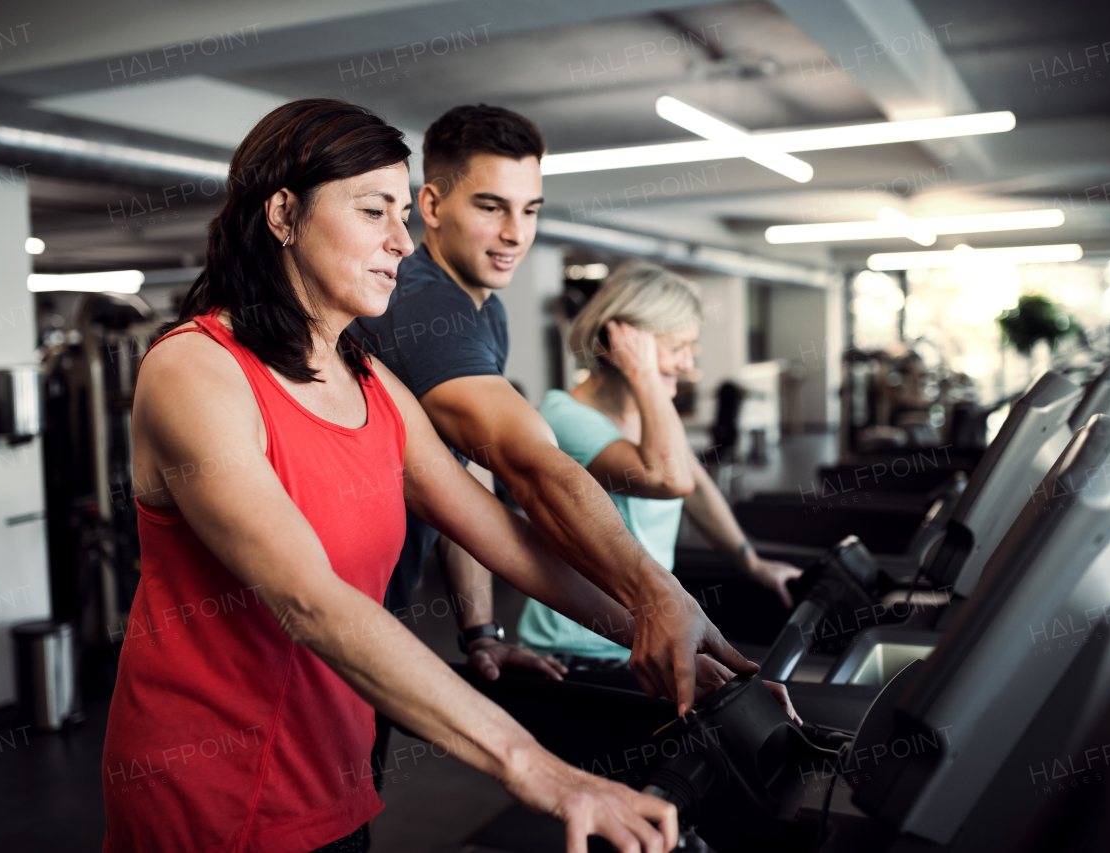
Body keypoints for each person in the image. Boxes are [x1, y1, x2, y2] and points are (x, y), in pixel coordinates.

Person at [103, 99, 696, 853]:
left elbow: (500, 535)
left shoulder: (370, 379)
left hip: (333, 768)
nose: (402, 242)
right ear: (284, 214)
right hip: (208, 795)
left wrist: (664, 639)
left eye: (402, 214)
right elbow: (309, 599)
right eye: (374, 210)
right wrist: (546, 772)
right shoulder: (195, 370)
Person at [350, 104, 754, 713]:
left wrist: (480, 630)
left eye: (530, 209)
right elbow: (530, 465)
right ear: (431, 206)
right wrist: (655, 599)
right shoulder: (424, 310)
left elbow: (467, 469)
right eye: (491, 207)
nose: (516, 233)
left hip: (374, 611)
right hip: (320, 620)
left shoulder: (487, 310)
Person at [517, 261, 804, 667]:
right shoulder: (566, 420)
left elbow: (695, 483)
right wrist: (647, 378)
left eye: (690, 346)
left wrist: (752, 563)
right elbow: (669, 480)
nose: (687, 364)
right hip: (580, 649)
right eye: (675, 348)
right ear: (616, 344)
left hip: (637, 637)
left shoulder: (644, 414)